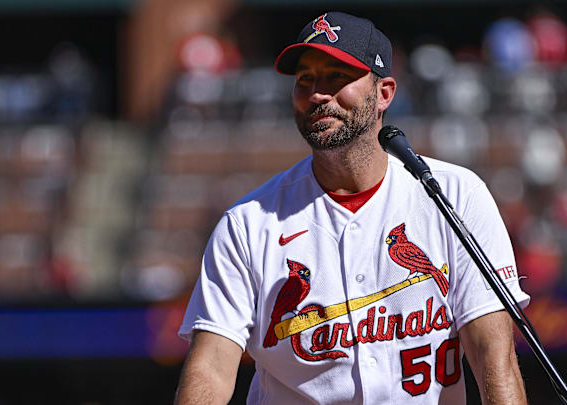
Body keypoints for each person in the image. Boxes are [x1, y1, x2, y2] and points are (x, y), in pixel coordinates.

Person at [175, 11, 530, 405]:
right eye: (305, 80)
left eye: (336, 77)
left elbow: (494, 360)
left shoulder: (455, 196)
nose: (317, 94)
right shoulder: (248, 223)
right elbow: (211, 366)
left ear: (384, 94)